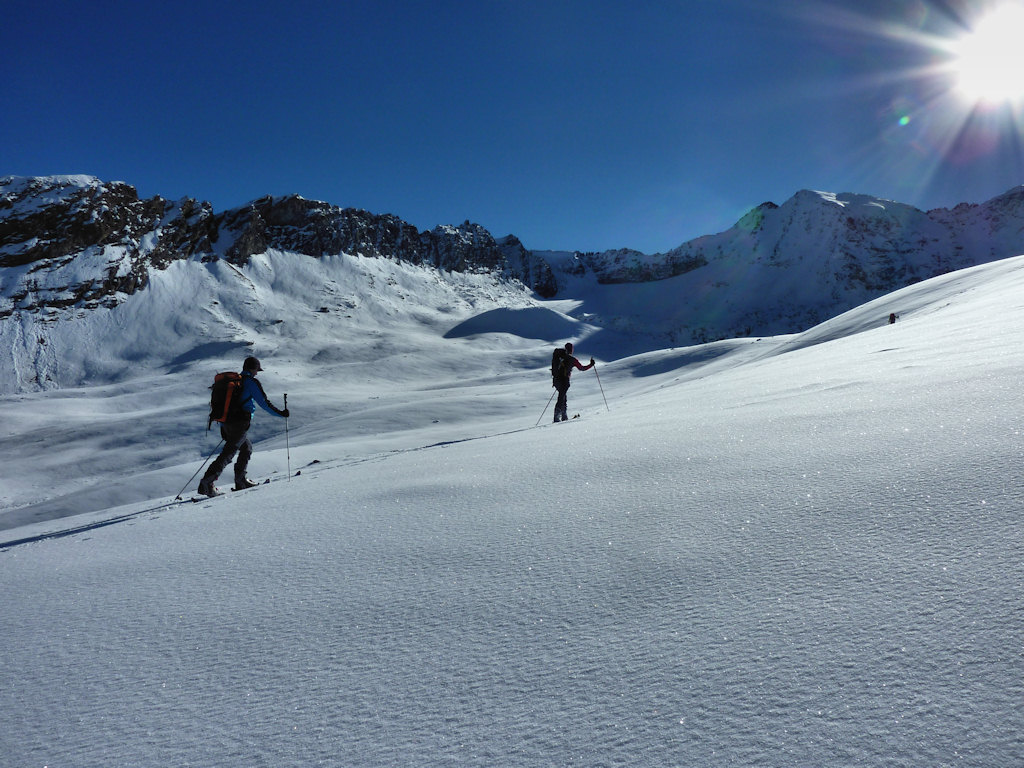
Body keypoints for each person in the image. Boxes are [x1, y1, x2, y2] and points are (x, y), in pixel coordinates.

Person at [198, 356, 289, 496]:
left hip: (227, 423)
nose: (257, 373)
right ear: (252, 369)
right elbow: (264, 403)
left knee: (246, 448)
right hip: (239, 423)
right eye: (257, 370)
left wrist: (225, 426)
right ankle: (207, 482)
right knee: (228, 453)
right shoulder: (250, 382)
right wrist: (281, 414)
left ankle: (241, 481)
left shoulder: (236, 381)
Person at [551, 342, 594, 422]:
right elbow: (582, 368)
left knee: (563, 397)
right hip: (564, 381)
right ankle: (557, 416)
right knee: (561, 397)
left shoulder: (560, 356)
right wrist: (591, 364)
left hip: (556, 381)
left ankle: (564, 416)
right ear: (572, 350)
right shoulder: (572, 360)